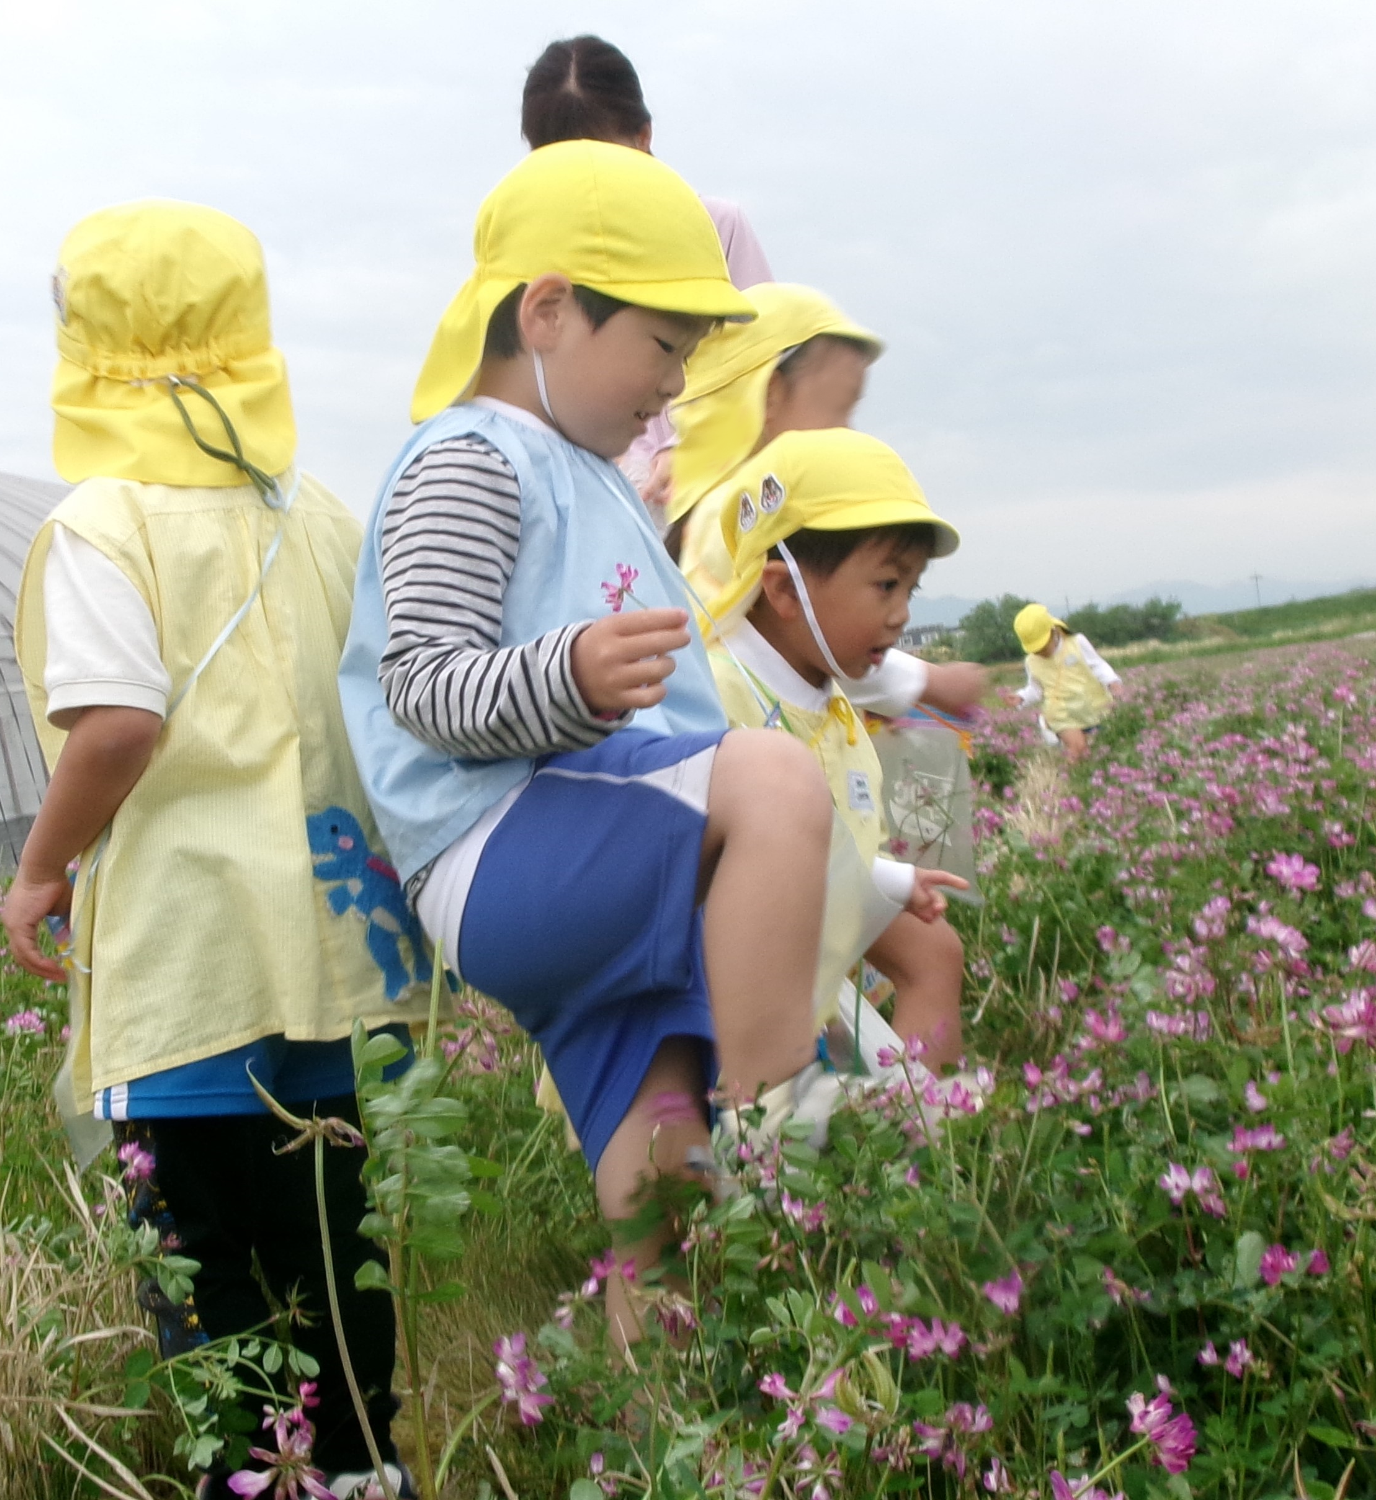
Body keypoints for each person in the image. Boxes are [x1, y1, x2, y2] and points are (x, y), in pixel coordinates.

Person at [338, 141, 841, 1344]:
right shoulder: (470, 457)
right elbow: (422, 681)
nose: (670, 388)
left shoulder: (586, 466)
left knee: (656, 1173)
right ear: (549, 310)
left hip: (574, 851)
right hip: (508, 835)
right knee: (774, 778)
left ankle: (654, 1421)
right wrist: (563, 675)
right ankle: (787, 1109)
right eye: (661, 348)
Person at [4, 201, 427, 1500]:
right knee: (336, 1257)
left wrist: (40, 869)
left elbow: (118, 721)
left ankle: (256, 1479)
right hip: (343, 962)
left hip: (193, 974)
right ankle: (361, 1470)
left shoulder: (104, 524)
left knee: (213, 1271)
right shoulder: (324, 519)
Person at [702, 428, 969, 1073]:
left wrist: (894, 878)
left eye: (912, 590)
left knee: (937, 948)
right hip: (715, 988)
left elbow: (827, 854)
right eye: (885, 585)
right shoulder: (715, 694)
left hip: (804, 957)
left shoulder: (838, 713)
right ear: (785, 590)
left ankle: (921, 1135)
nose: (902, 614)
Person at [670, 283, 988, 720]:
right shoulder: (737, 510)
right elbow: (805, 626)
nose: (849, 432)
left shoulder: (707, 505)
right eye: (839, 409)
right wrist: (927, 682)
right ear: (770, 396)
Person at [519, 34, 773, 517]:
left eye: (602, 160)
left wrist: (687, 447)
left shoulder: (718, 229)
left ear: (643, 137)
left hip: (711, 502)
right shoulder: (536, 271)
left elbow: (763, 370)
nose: (588, 185)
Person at [1013, 603, 1121, 762]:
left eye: (1042, 647)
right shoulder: (1031, 662)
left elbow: (1098, 665)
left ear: (1053, 631)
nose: (1040, 653)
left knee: (1100, 753)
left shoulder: (1076, 643)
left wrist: (1112, 682)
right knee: (1078, 749)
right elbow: (1035, 689)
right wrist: (1021, 697)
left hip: (1094, 708)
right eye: (1035, 650)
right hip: (1061, 715)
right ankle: (1068, 781)